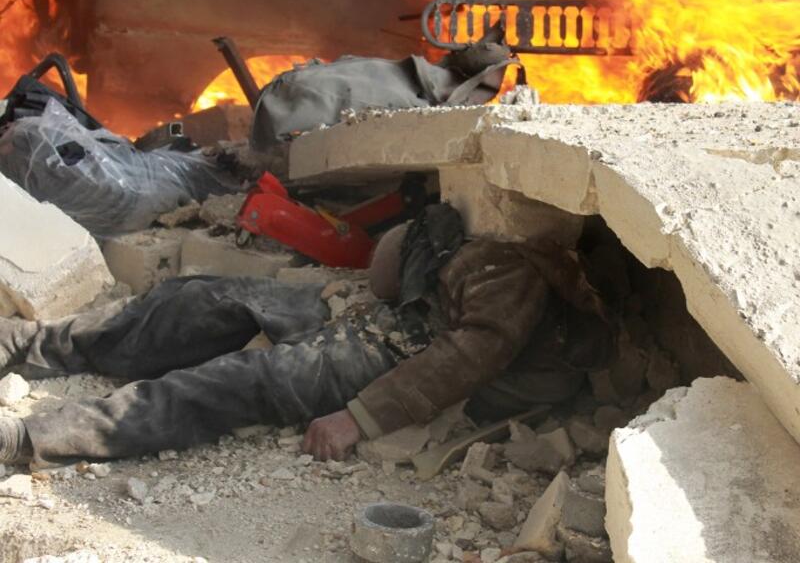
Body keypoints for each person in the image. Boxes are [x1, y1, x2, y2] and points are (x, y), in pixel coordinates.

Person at [0, 204, 614, 469]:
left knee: (239, 380)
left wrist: (360, 417)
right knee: (210, 299)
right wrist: (356, 294)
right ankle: (28, 343)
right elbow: (386, 284)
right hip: (402, 316)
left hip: (417, 348)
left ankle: (33, 436)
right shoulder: (457, 236)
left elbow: (470, 353)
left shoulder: (510, 267)